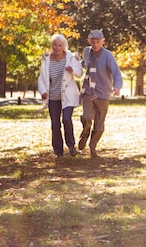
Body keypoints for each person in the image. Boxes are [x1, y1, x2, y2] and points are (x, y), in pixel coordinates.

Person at [78, 29, 123, 158]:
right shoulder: (87, 52)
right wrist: (74, 67)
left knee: (99, 124)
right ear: (89, 41)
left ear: (102, 42)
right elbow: (83, 64)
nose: (95, 45)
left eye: (98, 42)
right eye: (93, 42)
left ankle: (93, 146)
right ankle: (85, 133)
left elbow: (116, 72)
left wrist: (117, 87)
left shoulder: (107, 55)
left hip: (103, 93)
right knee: (87, 116)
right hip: (88, 91)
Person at [37, 33, 83, 158]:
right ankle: (58, 151)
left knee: (66, 119)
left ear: (64, 46)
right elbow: (41, 78)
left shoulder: (71, 57)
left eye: (60, 45)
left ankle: (71, 145)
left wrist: (72, 70)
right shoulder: (46, 60)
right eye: (55, 45)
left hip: (68, 96)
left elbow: (79, 73)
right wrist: (43, 92)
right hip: (53, 98)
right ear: (52, 46)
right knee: (55, 124)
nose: (57, 47)